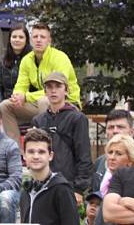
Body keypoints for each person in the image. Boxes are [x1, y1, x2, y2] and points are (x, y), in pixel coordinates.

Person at [0, 22, 80, 143]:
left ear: (49, 40)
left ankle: (46, 146)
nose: (38, 40)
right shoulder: (27, 60)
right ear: (30, 40)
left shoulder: (59, 58)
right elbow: (21, 85)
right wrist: (17, 96)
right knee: (5, 106)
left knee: (44, 101)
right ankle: (16, 152)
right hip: (41, 103)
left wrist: (26, 96)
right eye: (35, 37)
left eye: (42, 37)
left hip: (67, 103)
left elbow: (56, 91)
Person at [31, 71, 93, 204]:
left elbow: (84, 155)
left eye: (58, 86)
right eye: (49, 87)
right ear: (45, 91)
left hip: (68, 185)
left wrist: (79, 189)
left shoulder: (77, 118)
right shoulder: (38, 120)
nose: (53, 91)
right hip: (44, 185)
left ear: (66, 90)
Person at [20, 128, 80, 225]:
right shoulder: (26, 192)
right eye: (31, 152)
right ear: (24, 156)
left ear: (50, 156)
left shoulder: (62, 189)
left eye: (41, 152)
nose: (36, 156)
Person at [92, 109, 134, 192]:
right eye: (111, 127)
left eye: (120, 127)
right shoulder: (100, 162)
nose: (115, 131)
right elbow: (92, 190)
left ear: (132, 132)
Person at [0, 23, 32, 102]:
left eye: (21, 37)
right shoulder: (2, 60)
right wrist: (1, 104)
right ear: (9, 39)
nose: (17, 40)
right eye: (14, 37)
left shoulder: (32, 58)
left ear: (26, 40)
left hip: (26, 102)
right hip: (6, 102)